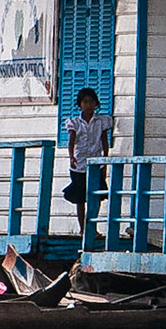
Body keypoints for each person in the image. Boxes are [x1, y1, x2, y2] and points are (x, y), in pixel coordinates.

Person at [63, 87, 115, 234]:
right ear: (80, 104)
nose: (89, 105)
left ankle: (92, 227)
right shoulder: (74, 122)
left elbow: (104, 140)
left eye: (92, 102)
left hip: (96, 163)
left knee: (96, 196)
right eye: (85, 102)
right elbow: (71, 141)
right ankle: (82, 228)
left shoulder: (101, 121)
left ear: (96, 104)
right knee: (80, 198)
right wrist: (71, 156)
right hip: (78, 165)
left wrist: (105, 159)